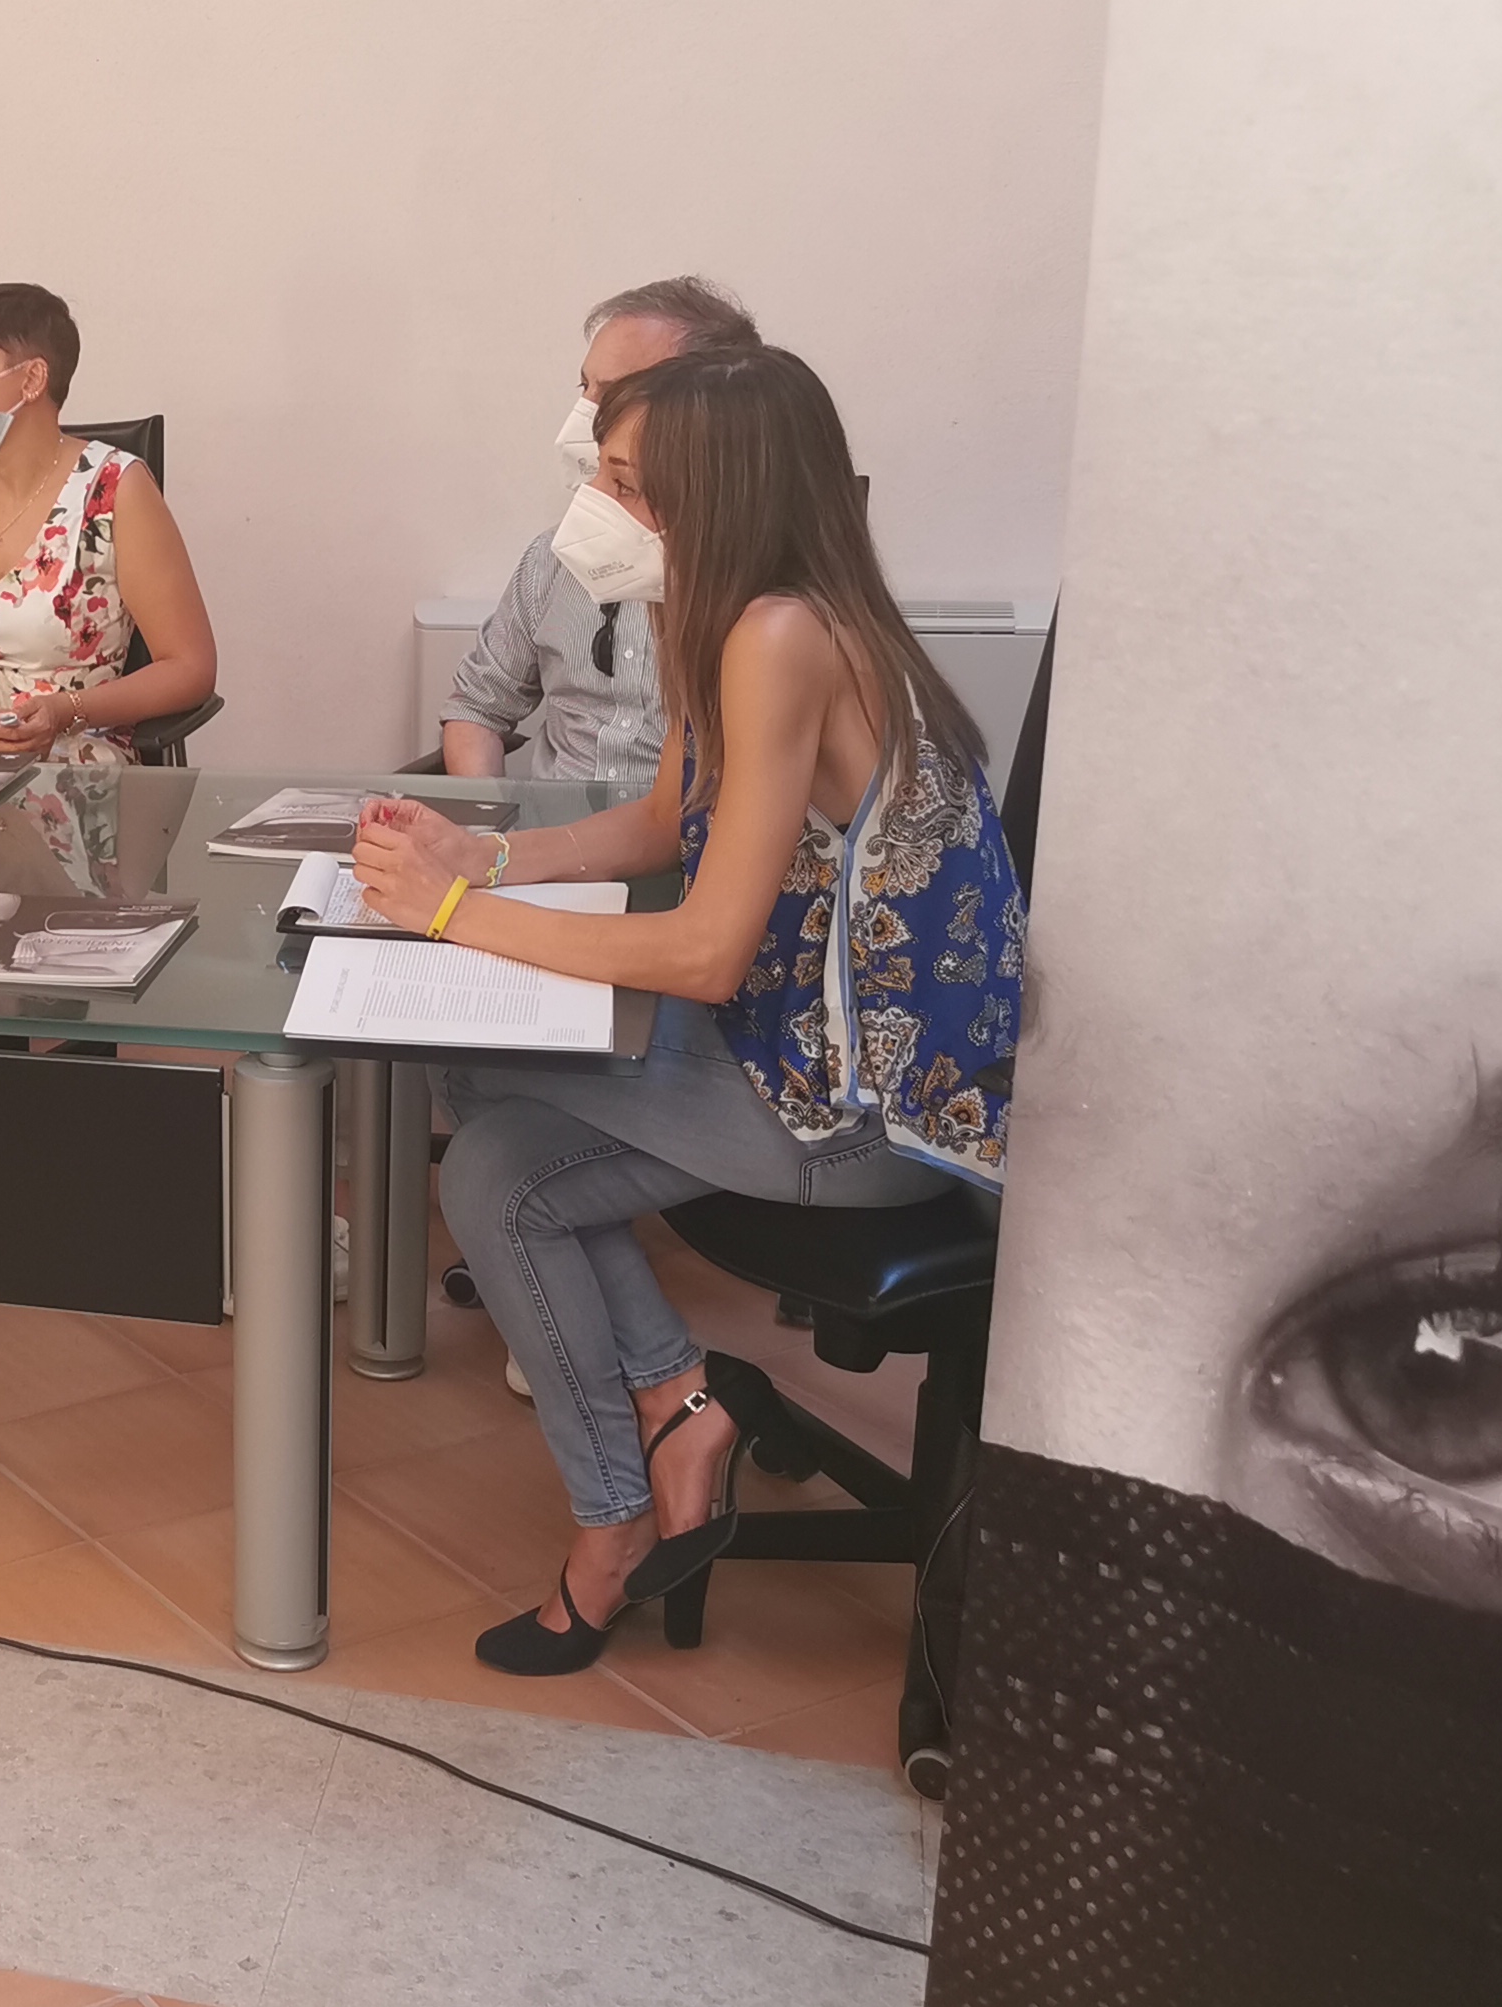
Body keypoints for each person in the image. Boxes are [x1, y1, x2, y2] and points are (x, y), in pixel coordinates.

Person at [350, 344, 1022, 1674]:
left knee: (479, 1107)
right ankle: (668, 1427)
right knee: (490, 1158)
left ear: (713, 493)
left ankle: (633, 1483)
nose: (593, 508)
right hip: (792, 1052)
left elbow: (710, 953)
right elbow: (664, 821)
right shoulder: (726, 612)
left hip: (876, 1114)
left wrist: (447, 912)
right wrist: (486, 855)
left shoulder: (781, 636)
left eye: (620, 481)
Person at [0, 282, 218, 779]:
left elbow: (189, 667)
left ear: (31, 379)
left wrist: (66, 711)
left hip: (70, 768)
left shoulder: (118, 490)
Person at [439, 275, 761, 784]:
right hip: (554, 828)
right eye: (584, 388)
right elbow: (476, 707)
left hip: (692, 832)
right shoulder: (553, 557)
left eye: (613, 396)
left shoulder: (769, 611)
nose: (584, 419)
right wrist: (487, 819)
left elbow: (678, 817)